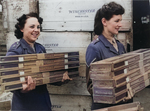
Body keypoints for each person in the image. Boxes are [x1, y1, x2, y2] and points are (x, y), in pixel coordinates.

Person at [6, 12, 71, 111]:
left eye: (38, 27)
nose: (36, 30)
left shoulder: (40, 48)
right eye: (32, 27)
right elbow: (10, 82)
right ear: (21, 28)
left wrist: (60, 79)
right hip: (25, 106)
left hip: (43, 103)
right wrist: (23, 90)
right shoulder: (15, 51)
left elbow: (46, 75)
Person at [85, 2, 133, 110]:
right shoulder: (95, 48)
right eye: (116, 21)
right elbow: (91, 86)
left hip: (122, 105)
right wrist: (119, 94)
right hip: (105, 107)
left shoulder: (120, 46)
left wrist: (129, 89)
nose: (120, 24)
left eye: (120, 20)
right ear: (104, 21)